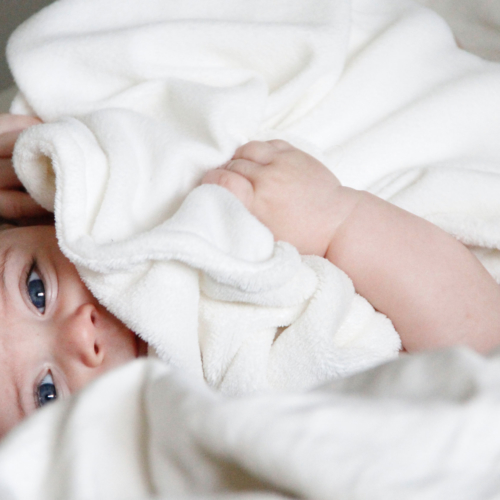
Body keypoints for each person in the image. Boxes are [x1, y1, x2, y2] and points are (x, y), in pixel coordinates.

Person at [1, 112, 500, 437]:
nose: (79, 336)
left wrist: (339, 220)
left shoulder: (149, 204)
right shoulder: (202, 437)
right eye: (46, 393)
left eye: (35, 288)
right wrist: (336, 221)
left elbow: (484, 335)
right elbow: (478, 380)